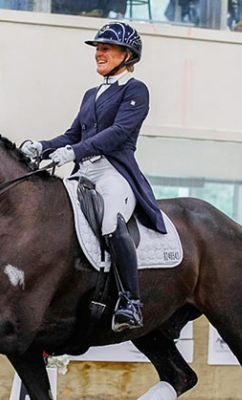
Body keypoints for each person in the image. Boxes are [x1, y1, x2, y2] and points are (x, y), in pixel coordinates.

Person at [21, 21, 166, 332]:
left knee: (111, 222)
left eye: (106, 48)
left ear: (126, 54)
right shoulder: (91, 93)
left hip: (113, 172)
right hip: (83, 172)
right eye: (98, 48)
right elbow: (73, 134)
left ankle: (131, 301)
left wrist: (74, 152)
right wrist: (43, 147)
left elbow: (117, 133)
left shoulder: (136, 90)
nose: (98, 53)